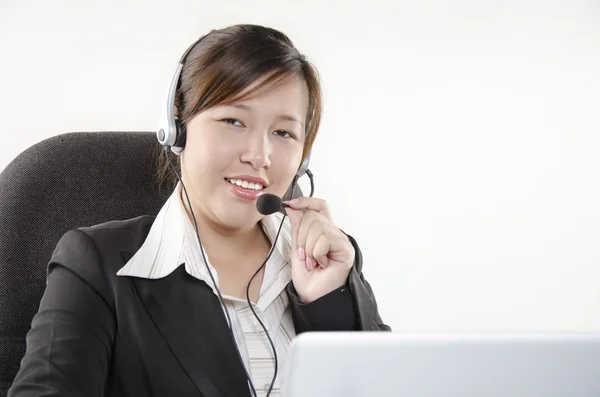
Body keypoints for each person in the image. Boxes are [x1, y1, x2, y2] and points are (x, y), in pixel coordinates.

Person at [8, 24, 389, 397]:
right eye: (233, 121)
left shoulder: (327, 259)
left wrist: (328, 305)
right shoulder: (98, 265)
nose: (260, 156)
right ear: (178, 126)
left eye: (284, 133)